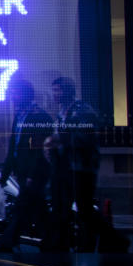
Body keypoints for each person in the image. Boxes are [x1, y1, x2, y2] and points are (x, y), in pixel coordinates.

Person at [0, 78, 53, 253]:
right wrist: (5, 174)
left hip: (35, 174)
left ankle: (7, 243)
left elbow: (39, 150)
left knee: (23, 207)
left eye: (14, 92)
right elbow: (14, 147)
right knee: (37, 210)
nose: (11, 96)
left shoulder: (39, 116)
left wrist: (33, 175)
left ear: (24, 94)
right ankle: (52, 243)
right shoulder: (20, 116)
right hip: (24, 172)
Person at [44, 76, 100, 252]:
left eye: (58, 90)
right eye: (53, 90)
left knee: (84, 209)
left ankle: (92, 245)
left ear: (67, 90)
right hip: (63, 168)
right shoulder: (63, 110)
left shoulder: (83, 110)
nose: (55, 94)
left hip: (81, 168)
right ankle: (61, 245)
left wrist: (58, 139)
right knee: (61, 208)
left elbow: (85, 137)